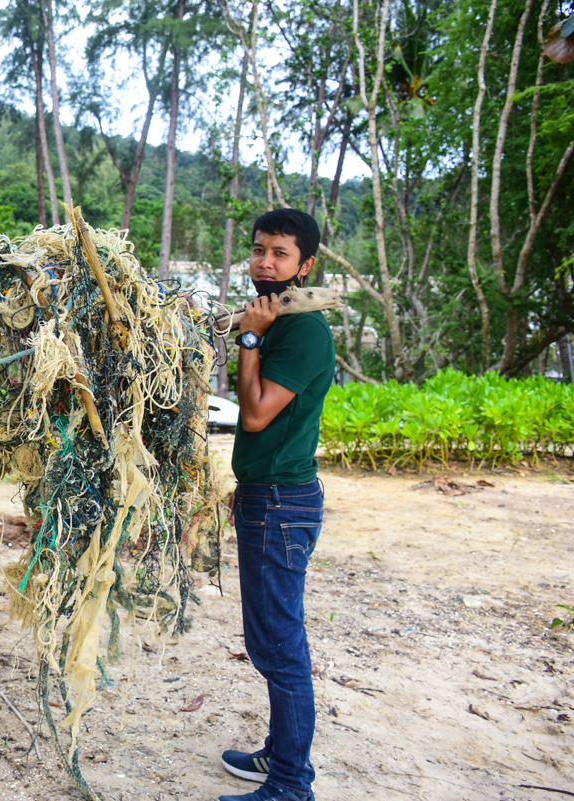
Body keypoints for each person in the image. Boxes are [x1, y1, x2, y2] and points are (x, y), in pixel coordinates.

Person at [219, 208, 334, 801]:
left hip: (281, 504)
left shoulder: (304, 329)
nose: (265, 261)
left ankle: (292, 782)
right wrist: (253, 332)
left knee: (280, 646)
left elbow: (257, 411)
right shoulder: (276, 317)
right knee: (270, 638)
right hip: (268, 497)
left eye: (280, 254)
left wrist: (249, 339)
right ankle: (278, 756)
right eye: (259, 250)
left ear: (305, 265)